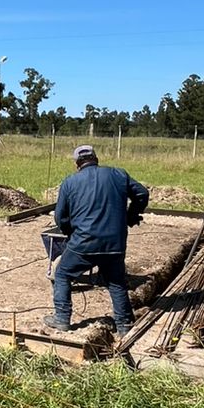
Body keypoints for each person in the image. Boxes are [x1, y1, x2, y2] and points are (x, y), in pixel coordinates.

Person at [42, 144, 150, 336]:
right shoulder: (119, 174)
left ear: (77, 164)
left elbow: (60, 217)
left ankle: (62, 318)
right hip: (114, 244)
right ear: (96, 159)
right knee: (116, 282)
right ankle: (124, 324)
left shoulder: (70, 182)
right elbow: (142, 193)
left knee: (63, 275)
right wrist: (130, 216)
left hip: (83, 244)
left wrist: (70, 234)